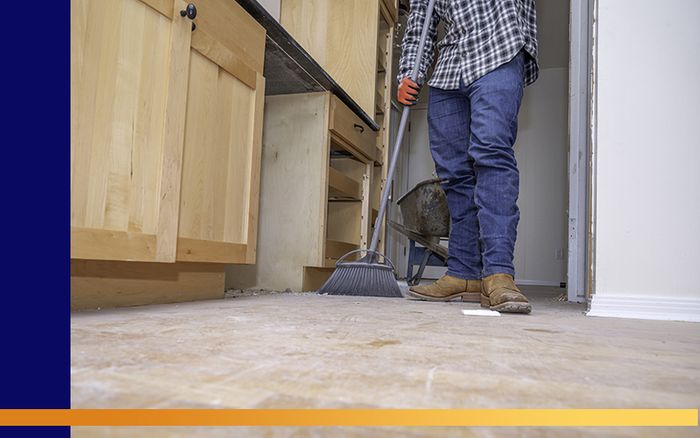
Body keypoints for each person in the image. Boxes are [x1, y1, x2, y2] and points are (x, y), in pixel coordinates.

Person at [398, 0, 538, 314]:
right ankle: (463, 274)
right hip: (448, 69)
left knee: (490, 154)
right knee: (454, 174)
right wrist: (409, 73)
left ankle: (498, 273)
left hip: (498, 46)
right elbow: (419, 23)